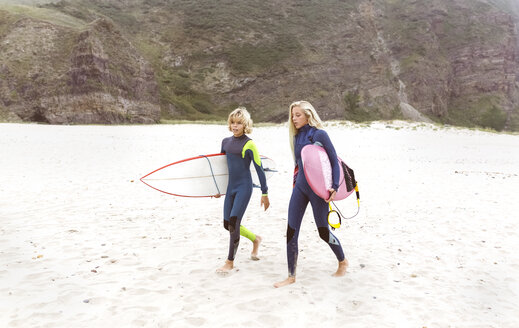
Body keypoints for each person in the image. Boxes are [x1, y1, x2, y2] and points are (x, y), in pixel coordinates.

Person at [274, 100, 348, 288]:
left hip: (317, 190)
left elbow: (333, 161)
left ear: (308, 115)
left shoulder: (319, 134)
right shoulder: (296, 137)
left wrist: (334, 187)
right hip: (300, 188)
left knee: (323, 232)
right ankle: (291, 276)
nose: (294, 118)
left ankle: (342, 261)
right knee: (291, 231)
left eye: (298, 115)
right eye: (292, 115)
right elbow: (298, 166)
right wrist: (294, 188)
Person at [215, 107, 270, 274]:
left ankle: (230, 261)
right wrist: (217, 189)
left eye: (239, 123)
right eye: (232, 122)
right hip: (230, 187)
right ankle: (256, 239)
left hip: (244, 188)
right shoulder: (225, 142)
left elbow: (259, 169)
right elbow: (221, 168)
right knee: (227, 224)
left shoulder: (249, 144)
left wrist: (265, 193)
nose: (235, 126)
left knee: (233, 224)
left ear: (245, 125)